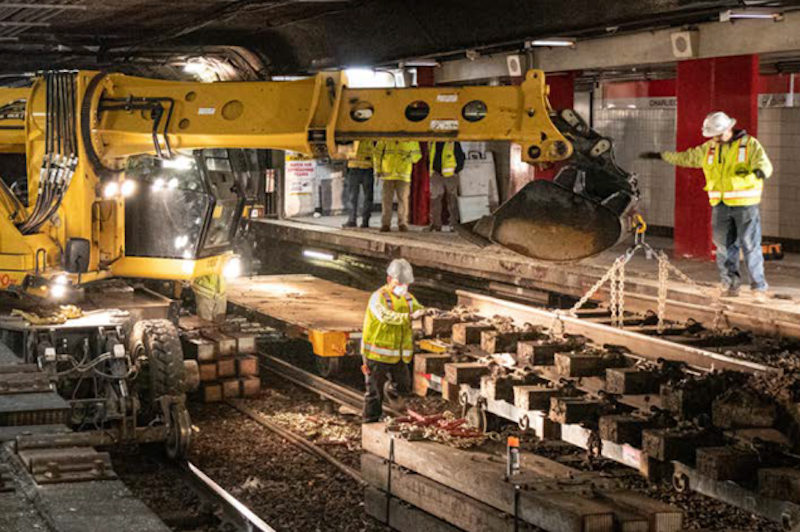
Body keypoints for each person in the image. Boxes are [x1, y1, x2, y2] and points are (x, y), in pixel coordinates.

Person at [640, 111, 773, 301]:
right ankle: (730, 285)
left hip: (746, 205)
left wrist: (761, 172)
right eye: (713, 136)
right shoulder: (709, 148)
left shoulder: (749, 145)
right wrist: (661, 156)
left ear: (728, 129)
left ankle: (758, 287)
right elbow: (687, 158)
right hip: (720, 205)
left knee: (750, 245)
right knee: (724, 248)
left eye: (718, 135)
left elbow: (764, 163)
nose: (716, 139)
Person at [361, 259, 426, 423]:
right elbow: (385, 317)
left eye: (406, 283)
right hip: (376, 355)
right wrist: (410, 317)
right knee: (374, 392)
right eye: (400, 283)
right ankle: (370, 420)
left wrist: (430, 312)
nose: (403, 286)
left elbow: (420, 309)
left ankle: (393, 398)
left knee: (403, 386)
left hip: (398, 356)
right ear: (390, 279)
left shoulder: (408, 299)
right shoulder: (378, 298)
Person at [373, 140, 422, 232]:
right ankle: (385, 224)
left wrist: (407, 159)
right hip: (388, 175)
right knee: (387, 200)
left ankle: (402, 223)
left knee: (403, 200)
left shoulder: (411, 139)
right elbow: (377, 153)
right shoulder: (386, 138)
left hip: (403, 175)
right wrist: (377, 170)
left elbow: (417, 156)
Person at [425, 141, 466, 232]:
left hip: (450, 175)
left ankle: (454, 225)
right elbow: (429, 157)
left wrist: (456, 171)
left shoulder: (453, 143)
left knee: (452, 201)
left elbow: (460, 158)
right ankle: (435, 224)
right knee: (435, 200)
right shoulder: (432, 142)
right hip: (436, 174)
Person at [342, 140, 375, 228]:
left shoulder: (352, 139)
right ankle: (364, 221)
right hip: (364, 169)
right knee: (365, 197)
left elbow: (346, 154)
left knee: (354, 197)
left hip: (357, 169)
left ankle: (354, 220)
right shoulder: (370, 140)